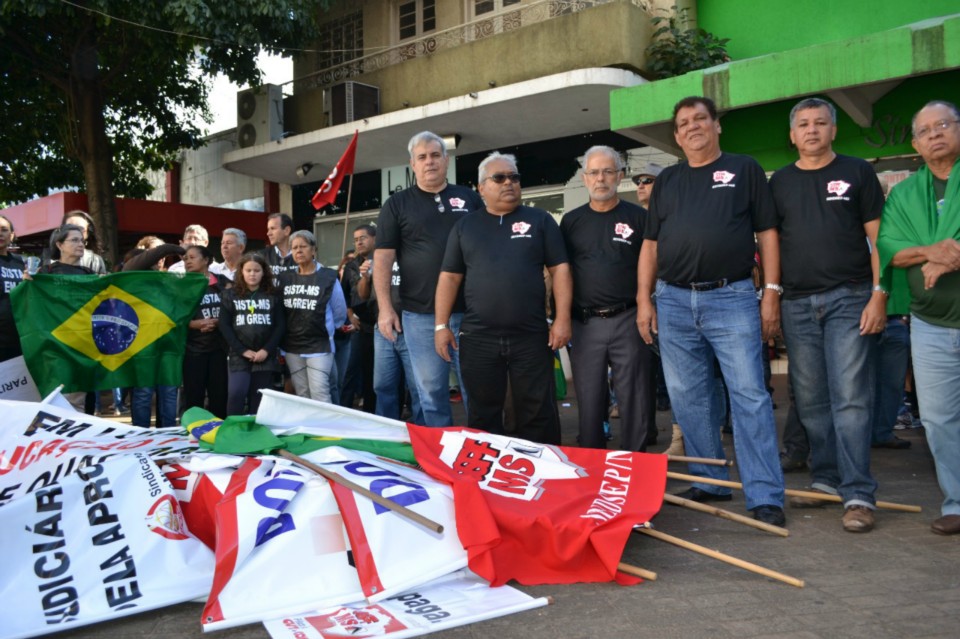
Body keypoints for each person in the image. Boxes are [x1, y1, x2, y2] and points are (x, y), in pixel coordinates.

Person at [636, 96, 786, 527]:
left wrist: (771, 291)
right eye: (683, 123)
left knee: (750, 396)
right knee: (688, 398)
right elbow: (651, 245)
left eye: (700, 118)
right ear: (677, 135)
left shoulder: (744, 169)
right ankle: (710, 478)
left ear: (717, 125)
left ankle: (764, 493)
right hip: (674, 301)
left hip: (732, 297)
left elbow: (767, 232)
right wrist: (645, 299)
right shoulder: (667, 182)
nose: (692, 127)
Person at [770, 97, 885, 533]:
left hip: (850, 297)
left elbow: (879, 239)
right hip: (797, 304)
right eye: (803, 124)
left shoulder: (857, 172)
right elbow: (772, 244)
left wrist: (879, 293)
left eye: (821, 123)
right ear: (792, 134)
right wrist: (773, 297)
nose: (812, 130)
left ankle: (858, 493)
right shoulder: (778, 182)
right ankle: (825, 478)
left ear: (834, 130)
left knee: (851, 397)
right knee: (812, 401)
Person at [435, 152, 571, 444]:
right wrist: (440, 325)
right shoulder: (464, 227)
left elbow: (560, 270)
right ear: (481, 188)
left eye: (514, 177)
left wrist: (561, 319)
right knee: (483, 415)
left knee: (538, 412)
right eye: (499, 178)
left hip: (531, 335)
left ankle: (545, 475)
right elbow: (449, 277)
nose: (509, 183)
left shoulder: (540, 220)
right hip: (479, 337)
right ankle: (487, 478)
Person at [877, 99, 960, 536]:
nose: (935, 134)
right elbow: (891, 248)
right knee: (940, 418)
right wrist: (933, 252)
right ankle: (957, 501)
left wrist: (950, 256)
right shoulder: (906, 194)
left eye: (943, 125)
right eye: (925, 130)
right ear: (915, 144)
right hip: (930, 323)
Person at [374, 131, 484, 426]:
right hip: (420, 315)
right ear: (412, 164)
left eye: (435, 155)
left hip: (470, 313)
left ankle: (482, 453)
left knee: (477, 389)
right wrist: (385, 309)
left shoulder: (470, 198)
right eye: (422, 157)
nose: (430, 162)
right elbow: (383, 259)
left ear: (446, 160)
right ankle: (440, 459)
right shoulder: (396, 205)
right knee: (430, 392)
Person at [561, 145, 655, 450]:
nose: (600, 178)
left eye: (607, 171)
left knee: (635, 398)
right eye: (593, 172)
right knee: (588, 399)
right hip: (585, 323)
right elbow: (562, 273)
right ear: (584, 178)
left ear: (620, 175)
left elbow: (652, 265)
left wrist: (647, 306)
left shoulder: (638, 218)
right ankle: (593, 465)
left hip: (629, 318)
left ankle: (635, 464)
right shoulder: (571, 222)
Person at [278, 230, 347, 402]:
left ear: (313, 250)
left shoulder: (328, 277)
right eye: (294, 248)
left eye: (303, 247)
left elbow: (339, 311)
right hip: (292, 346)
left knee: (320, 392)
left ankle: (325, 429)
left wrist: (331, 328)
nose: (298, 251)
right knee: (302, 393)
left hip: (320, 345)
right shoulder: (286, 278)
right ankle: (308, 428)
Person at [219, 253, 285, 416]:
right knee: (236, 393)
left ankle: (256, 435)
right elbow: (224, 325)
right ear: (241, 272)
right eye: (248, 270)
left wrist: (267, 350)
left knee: (259, 397)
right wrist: (242, 350)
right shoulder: (230, 295)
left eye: (257, 270)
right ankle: (233, 431)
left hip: (265, 355)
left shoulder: (273, 295)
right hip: (239, 354)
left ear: (264, 273)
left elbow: (280, 325)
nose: (252, 274)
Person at [180, 244, 228, 418]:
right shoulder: (182, 286)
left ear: (206, 260)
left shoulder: (224, 283)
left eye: (192, 257)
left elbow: (234, 310)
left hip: (220, 350)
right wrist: (193, 324)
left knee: (219, 396)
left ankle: (219, 435)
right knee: (193, 398)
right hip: (192, 351)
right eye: (185, 258)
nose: (187, 261)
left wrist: (218, 322)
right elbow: (175, 316)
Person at [373, 259, 422, 422]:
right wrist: (364, 278)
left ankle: (421, 432)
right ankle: (387, 432)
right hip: (383, 330)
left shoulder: (414, 252)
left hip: (413, 329)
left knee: (418, 388)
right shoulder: (379, 258)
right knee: (382, 386)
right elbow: (366, 296)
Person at [341, 224, 378, 412]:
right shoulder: (350, 266)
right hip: (359, 325)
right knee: (351, 371)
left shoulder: (385, 259)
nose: (359, 242)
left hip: (381, 324)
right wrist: (350, 315)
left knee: (376, 375)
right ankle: (345, 411)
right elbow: (343, 295)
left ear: (374, 238)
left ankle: (373, 412)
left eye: (362, 238)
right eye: (355, 239)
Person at [0, 214, 25, 363]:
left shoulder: (21, 263)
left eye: (4, 229)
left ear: (12, 235)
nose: (0, 234)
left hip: (18, 336)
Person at [262, 213, 297, 279]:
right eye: (268, 229)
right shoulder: (262, 256)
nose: (268, 233)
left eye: (273, 228)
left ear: (287, 231)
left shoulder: (302, 256)